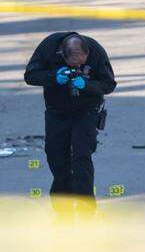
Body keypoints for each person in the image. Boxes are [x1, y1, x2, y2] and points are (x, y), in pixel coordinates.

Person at [24, 31, 117, 201]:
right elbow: (30, 76)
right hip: (56, 112)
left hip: (86, 112)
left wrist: (87, 85)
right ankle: (62, 207)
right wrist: (53, 77)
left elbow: (109, 84)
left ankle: (85, 208)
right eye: (72, 66)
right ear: (62, 55)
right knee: (57, 158)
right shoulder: (49, 47)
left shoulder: (96, 51)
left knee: (81, 157)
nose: (76, 69)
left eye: (81, 65)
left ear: (87, 53)